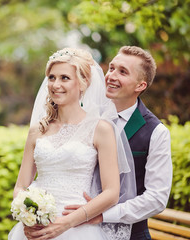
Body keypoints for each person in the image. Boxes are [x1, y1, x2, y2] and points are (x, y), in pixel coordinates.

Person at [8, 48, 135, 240]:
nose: (55, 84)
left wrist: (66, 223)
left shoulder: (100, 129)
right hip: (36, 230)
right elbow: (20, 186)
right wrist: (29, 217)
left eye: (64, 78)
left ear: (83, 83)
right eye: (52, 77)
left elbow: (111, 192)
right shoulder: (37, 130)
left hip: (76, 229)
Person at [64, 46, 173, 240]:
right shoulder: (86, 117)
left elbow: (156, 198)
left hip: (131, 235)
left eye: (122, 72)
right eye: (112, 68)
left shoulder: (156, 132)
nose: (111, 76)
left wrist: (103, 215)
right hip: (75, 230)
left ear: (140, 86)